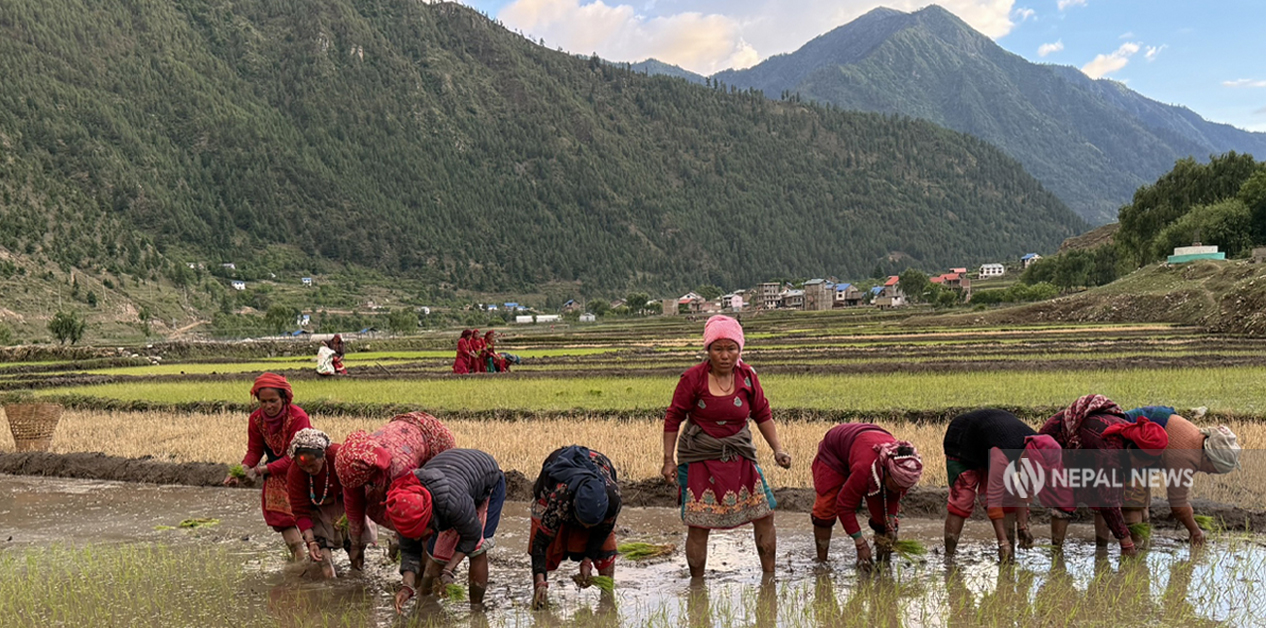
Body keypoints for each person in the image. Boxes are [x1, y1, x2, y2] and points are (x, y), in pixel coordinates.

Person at [662, 315, 791, 578]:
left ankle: (769, 577)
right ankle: (696, 586)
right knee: (698, 524)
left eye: (731, 348)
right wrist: (668, 459)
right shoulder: (693, 378)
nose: (725, 355)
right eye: (718, 348)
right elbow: (674, 417)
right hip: (700, 456)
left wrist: (777, 449)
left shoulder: (747, 376)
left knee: (765, 513)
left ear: (739, 349)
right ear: (707, 350)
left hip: (739, 453)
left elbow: (762, 413)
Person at [1037, 394, 1169, 556]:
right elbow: (1109, 501)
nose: (1141, 467)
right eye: (1142, 463)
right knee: (1065, 498)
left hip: (1088, 450)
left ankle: (1101, 551)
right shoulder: (1110, 452)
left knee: (1099, 499)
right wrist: (1126, 542)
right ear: (1131, 450)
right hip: (1059, 442)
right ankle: (1056, 553)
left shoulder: (1127, 439)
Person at [386, 448, 506, 613]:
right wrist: (406, 586)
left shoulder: (453, 504)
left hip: (487, 481)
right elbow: (409, 551)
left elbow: (472, 536)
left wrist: (449, 569)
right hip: (452, 480)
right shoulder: (406, 508)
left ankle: (476, 609)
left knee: (478, 549)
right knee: (436, 552)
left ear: (429, 519)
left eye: (418, 533)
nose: (415, 539)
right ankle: (423, 602)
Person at [942, 409, 1067, 561]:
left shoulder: (1042, 446)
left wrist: (1023, 526)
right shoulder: (1002, 455)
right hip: (962, 439)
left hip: (989, 439)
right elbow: (994, 501)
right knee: (961, 501)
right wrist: (1002, 542)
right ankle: (948, 558)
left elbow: (1023, 487)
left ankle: (1009, 557)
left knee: (1008, 501)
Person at [337, 411, 457, 571]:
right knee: (373, 500)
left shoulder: (399, 468)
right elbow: (354, 503)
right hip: (402, 437)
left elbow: (416, 509)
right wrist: (356, 545)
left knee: (430, 512)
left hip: (432, 441)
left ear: (372, 473)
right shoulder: (355, 461)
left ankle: (435, 564)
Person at [1122, 406, 1241, 545]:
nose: (1209, 473)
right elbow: (1178, 504)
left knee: (1142, 497)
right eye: (1213, 470)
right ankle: (1134, 550)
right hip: (1131, 443)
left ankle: (1144, 540)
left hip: (1147, 437)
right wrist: (1195, 531)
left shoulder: (1197, 437)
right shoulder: (1186, 457)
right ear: (1208, 458)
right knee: (1133, 502)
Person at [810, 423, 923, 568]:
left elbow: (892, 498)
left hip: (865, 443)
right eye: (895, 486)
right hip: (836, 449)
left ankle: (883, 565)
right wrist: (860, 542)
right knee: (825, 507)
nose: (898, 490)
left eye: (902, 488)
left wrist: (890, 524)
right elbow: (844, 506)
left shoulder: (903, 472)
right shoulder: (865, 469)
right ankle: (822, 563)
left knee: (883, 519)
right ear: (886, 472)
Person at [224, 373, 312, 559]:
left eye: (273, 401)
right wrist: (242, 470)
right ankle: (299, 559)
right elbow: (254, 451)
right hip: (275, 472)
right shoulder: (256, 420)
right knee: (283, 518)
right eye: (263, 402)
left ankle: (315, 554)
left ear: (284, 398)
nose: (268, 406)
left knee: (309, 517)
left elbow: (294, 456)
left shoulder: (298, 418)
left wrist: (259, 470)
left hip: (303, 468)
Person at [528, 445, 622, 610]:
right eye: (583, 522)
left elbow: (603, 532)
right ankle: (540, 596)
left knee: (606, 547)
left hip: (599, 465)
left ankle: (607, 600)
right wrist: (540, 581)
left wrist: (587, 561)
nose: (585, 527)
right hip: (552, 479)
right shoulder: (560, 499)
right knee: (549, 546)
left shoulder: (613, 500)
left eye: (590, 525)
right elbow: (540, 543)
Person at [285, 428, 373, 578]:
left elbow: (360, 489)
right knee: (324, 560)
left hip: (347, 502)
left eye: (312, 465)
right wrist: (311, 542)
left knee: (355, 551)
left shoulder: (339, 458)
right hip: (318, 509)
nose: (308, 470)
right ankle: (331, 586)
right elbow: (300, 509)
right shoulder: (296, 472)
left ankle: (358, 576)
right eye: (303, 467)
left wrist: (348, 517)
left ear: (323, 456)